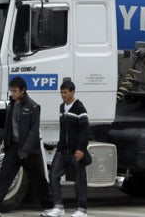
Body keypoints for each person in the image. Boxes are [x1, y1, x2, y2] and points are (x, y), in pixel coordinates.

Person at [0, 76, 53, 217]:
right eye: (11, 91)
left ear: (23, 91)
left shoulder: (33, 107)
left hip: (30, 150)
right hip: (13, 147)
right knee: (4, 177)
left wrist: (25, 150)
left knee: (38, 179)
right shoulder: (11, 105)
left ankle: (49, 207)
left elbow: (34, 131)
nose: (12, 93)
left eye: (15, 91)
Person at [44, 78, 90, 217]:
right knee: (53, 175)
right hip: (63, 149)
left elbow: (85, 131)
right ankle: (58, 206)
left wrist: (81, 149)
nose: (63, 95)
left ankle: (82, 209)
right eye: (61, 93)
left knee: (79, 179)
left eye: (65, 93)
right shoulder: (61, 107)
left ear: (72, 92)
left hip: (76, 150)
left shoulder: (79, 108)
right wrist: (59, 147)